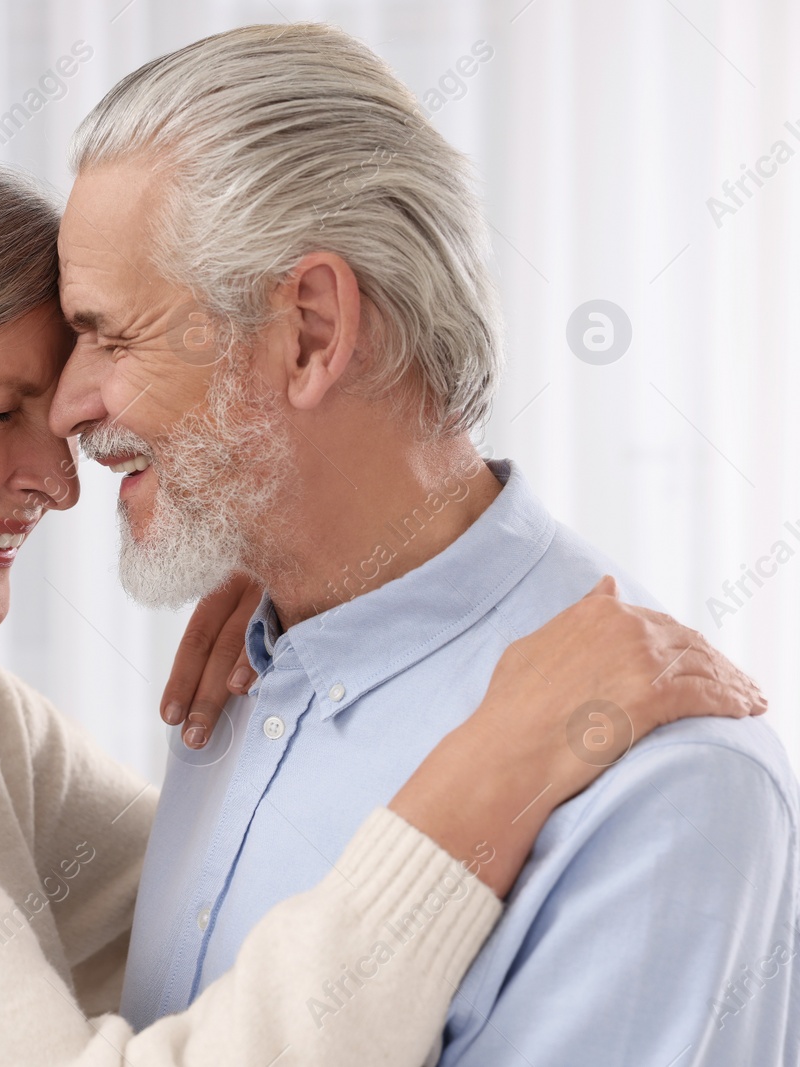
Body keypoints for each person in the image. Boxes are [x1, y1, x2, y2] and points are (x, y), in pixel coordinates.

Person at [0, 139, 763, 1066]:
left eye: (60, 403)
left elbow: (214, 930)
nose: (57, 474)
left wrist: (301, 596)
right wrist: (490, 765)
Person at [47, 23, 800, 1066]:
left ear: (308, 332)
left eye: (108, 335)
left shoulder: (663, 785)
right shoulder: (241, 678)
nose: (64, 407)